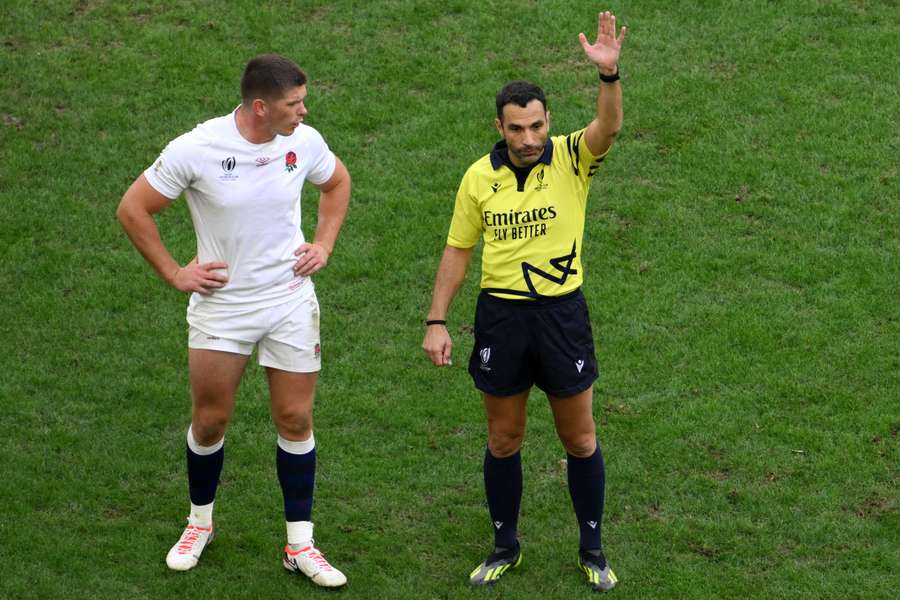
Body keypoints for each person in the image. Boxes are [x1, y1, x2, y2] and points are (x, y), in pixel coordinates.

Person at [116, 54, 350, 588]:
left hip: (290, 301)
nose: (304, 111)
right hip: (224, 309)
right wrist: (176, 272)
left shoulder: (304, 140)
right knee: (210, 421)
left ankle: (300, 543)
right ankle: (199, 523)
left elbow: (336, 184)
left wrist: (324, 244)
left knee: (295, 419)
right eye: (294, 104)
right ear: (261, 106)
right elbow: (133, 209)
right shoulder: (197, 148)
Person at [422, 11, 626, 592]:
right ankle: (505, 545)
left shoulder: (570, 157)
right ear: (500, 126)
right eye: (517, 129)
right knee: (503, 438)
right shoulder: (476, 179)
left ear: (548, 122)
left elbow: (607, 130)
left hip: (562, 315)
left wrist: (609, 77)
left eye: (537, 126)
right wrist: (437, 319)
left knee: (579, 437)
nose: (530, 139)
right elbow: (458, 251)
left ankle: (592, 548)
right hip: (503, 318)